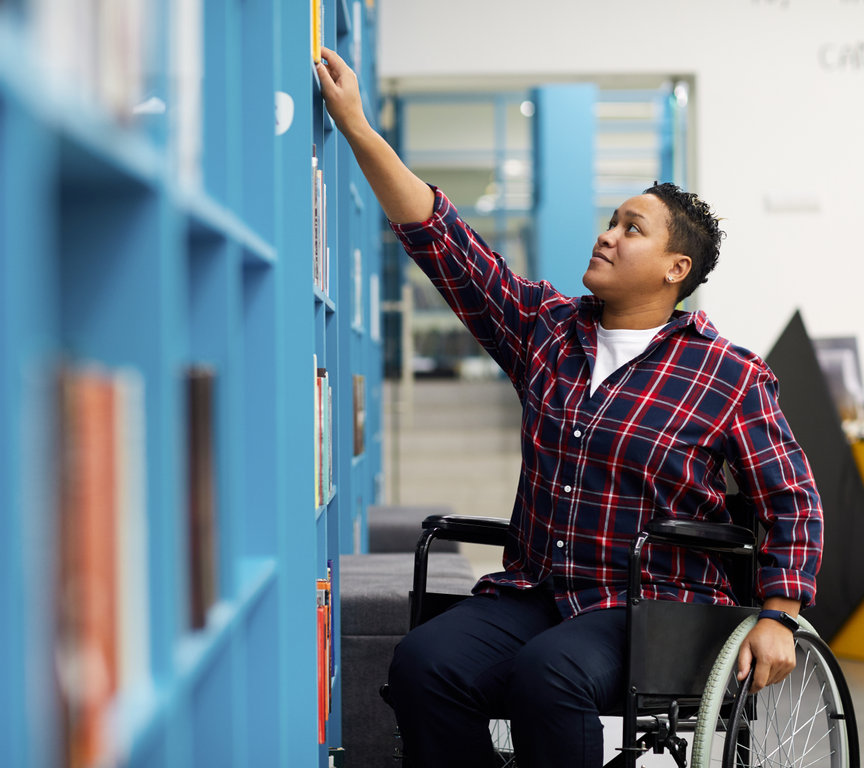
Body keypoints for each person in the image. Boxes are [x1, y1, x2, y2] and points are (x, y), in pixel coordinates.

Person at [316, 48, 823, 767]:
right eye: (611, 220)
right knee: (425, 663)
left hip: (652, 610)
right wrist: (359, 128)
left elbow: (793, 500)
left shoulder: (728, 375)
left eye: (632, 228)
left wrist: (780, 614)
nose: (607, 234)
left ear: (677, 270)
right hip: (538, 589)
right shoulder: (547, 330)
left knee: (548, 676)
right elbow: (446, 244)